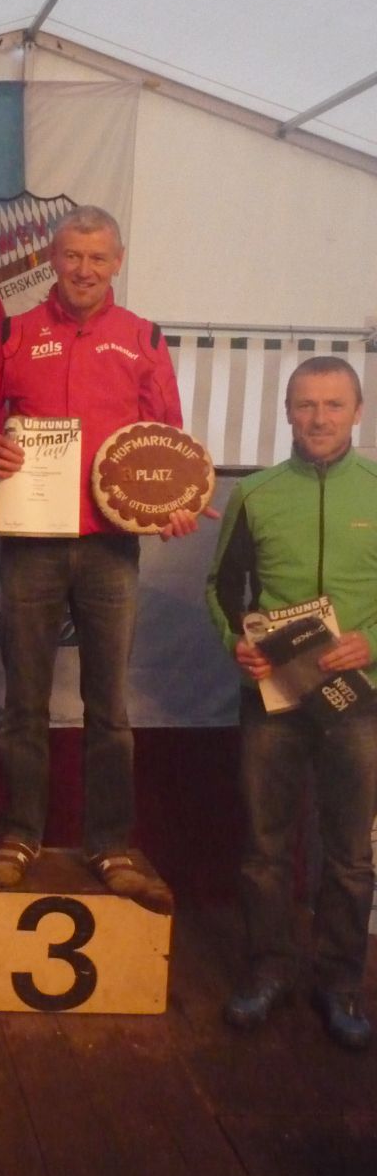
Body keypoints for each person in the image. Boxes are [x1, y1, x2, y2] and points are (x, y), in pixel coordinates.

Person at [0, 206, 202, 910]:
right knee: (24, 701)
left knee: (109, 706)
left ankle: (110, 843)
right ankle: (19, 836)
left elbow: (167, 444)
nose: (84, 270)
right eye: (72, 256)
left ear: (117, 262)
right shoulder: (15, 334)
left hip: (110, 546)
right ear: (52, 260)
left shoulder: (142, 338)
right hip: (31, 542)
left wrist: (173, 501)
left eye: (97, 258)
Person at [206, 356, 377, 1050]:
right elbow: (221, 588)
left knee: (350, 853)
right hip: (273, 698)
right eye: (306, 404)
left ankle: (339, 983)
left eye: (333, 404)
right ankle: (268, 970)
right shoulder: (256, 493)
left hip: (358, 699)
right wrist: (236, 645)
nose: (319, 417)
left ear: (357, 411)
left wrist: (373, 643)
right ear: (286, 412)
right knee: (265, 847)